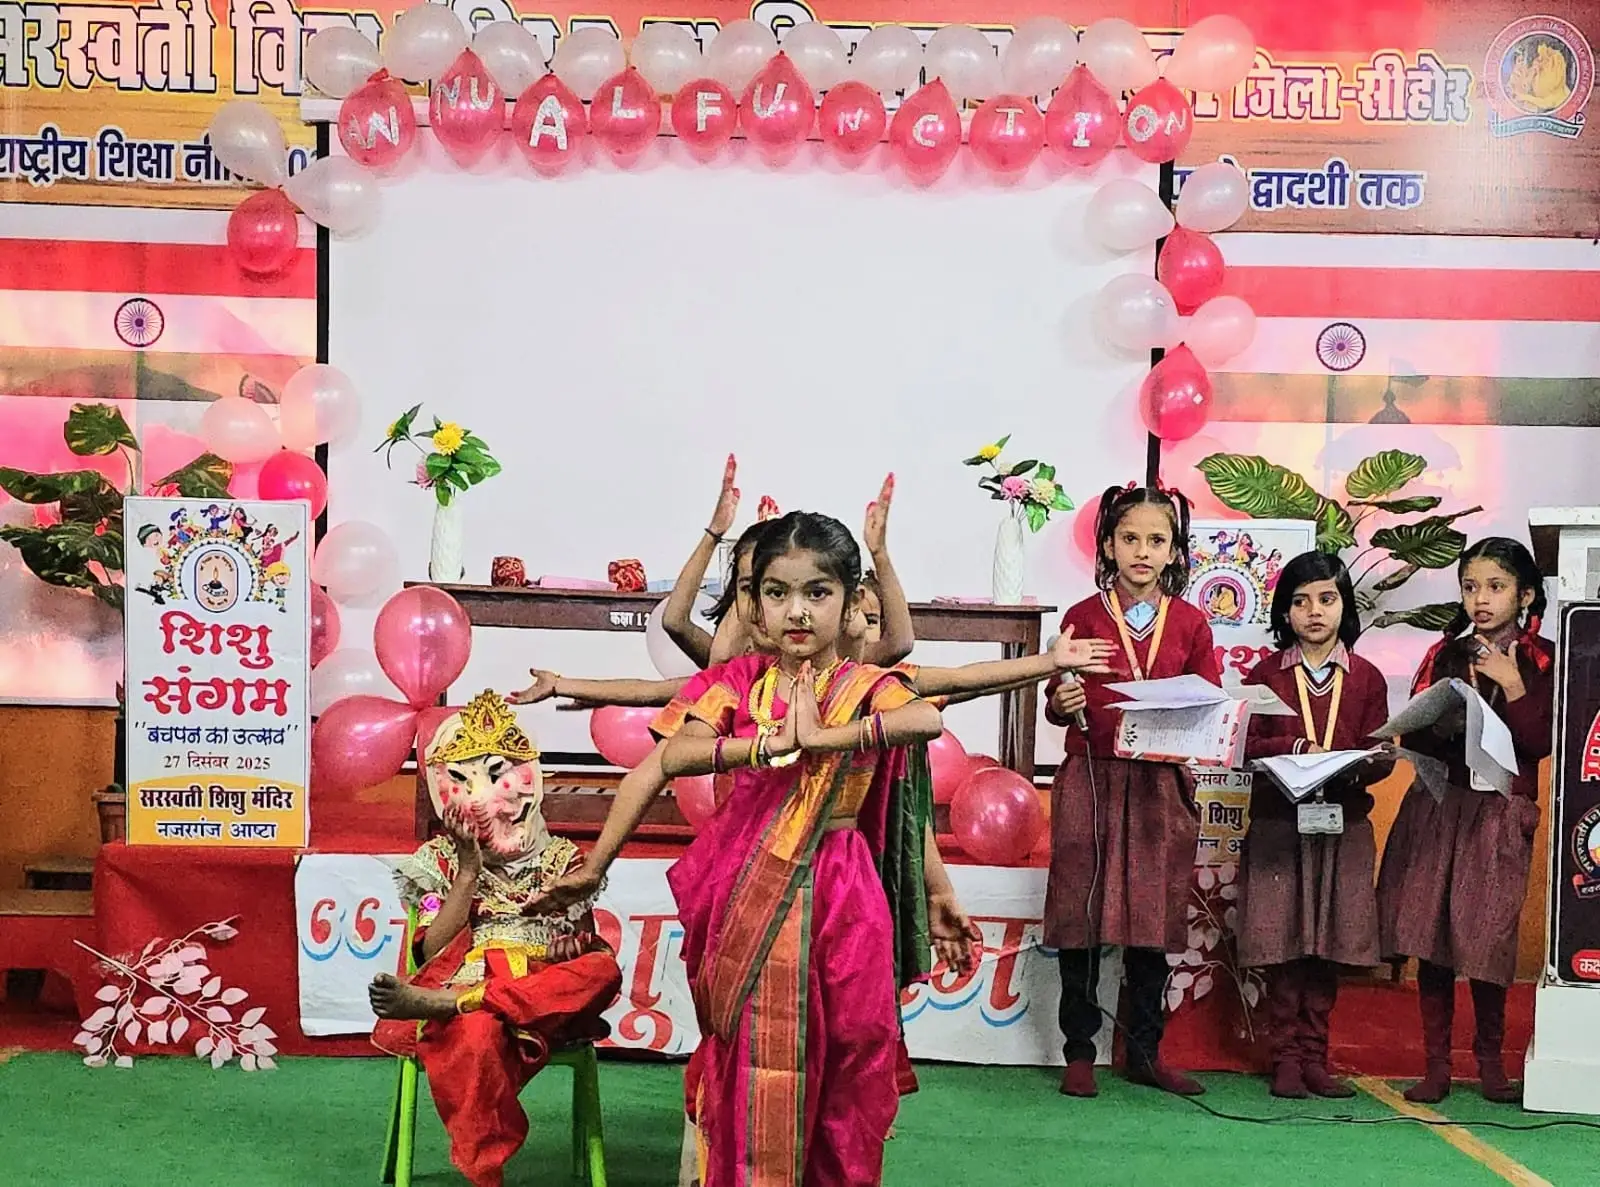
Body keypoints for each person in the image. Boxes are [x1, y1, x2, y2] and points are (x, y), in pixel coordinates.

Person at [658, 510, 975, 1184]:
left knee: (855, 1047)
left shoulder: (867, 686)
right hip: (747, 885)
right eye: (778, 593)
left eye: (817, 592)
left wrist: (826, 738)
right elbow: (679, 753)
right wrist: (764, 745)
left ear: (851, 600)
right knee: (749, 1050)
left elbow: (923, 719)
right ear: (755, 603)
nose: (797, 611)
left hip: (841, 887)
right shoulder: (738, 683)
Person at [367, 691, 623, 1187]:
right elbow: (429, 950)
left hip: (542, 998)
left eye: (497, 773)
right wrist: (468, 870)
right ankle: (486, 1173)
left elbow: (582, 944)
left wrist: (571, 946)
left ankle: (453, 1004)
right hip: (476, 982)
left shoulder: (564, 859)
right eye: (462, 780)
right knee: (479, 1032)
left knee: (602, 968)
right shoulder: (438, 860)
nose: (486, 798)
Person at [1044, 483, 1221, 1099]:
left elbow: (1209, 700)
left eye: (1156, 540)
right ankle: (1079, 1051)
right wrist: (1062, 700)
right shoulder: (1082, 616)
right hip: (1091, 778)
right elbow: (1057, 698)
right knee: (1081, 913)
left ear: (1174, 551)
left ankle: (1144, 1052)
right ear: (1108, 547)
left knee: (1154, 916)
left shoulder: (1191, 623)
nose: (1143, 552)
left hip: (1157, 784)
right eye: (1130, 539)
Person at [1376, 537, 1554, 1105]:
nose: (1481, 599)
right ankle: (1436, 1067)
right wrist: (1441, 725)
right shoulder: (1445, 655)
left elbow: (1541, 742)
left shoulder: (1544, 659)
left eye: (1496, 587)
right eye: (1471, 587)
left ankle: (1491, 1064)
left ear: (1525, 595)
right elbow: (1412, 734)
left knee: (1487, 935)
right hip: (1441, 802)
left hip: (1499, 809)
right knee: (1433, 936)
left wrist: (1513, 683)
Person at [1237, 552, 1393, 1099]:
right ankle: (1284, 1058)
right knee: (1281, 941)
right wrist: (1295, 747)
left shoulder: (1367, 677)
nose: (1314, 612)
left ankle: (1314, 1056)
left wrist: (1364, 761)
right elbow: (1245, 745)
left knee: (1329, 943)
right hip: (1279, 823)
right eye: (1300, 601)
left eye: (1327, 599)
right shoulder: (1266, 675)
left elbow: (1380, 750)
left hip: (1341, 824)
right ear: (1285, 611)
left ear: (1344, 605)